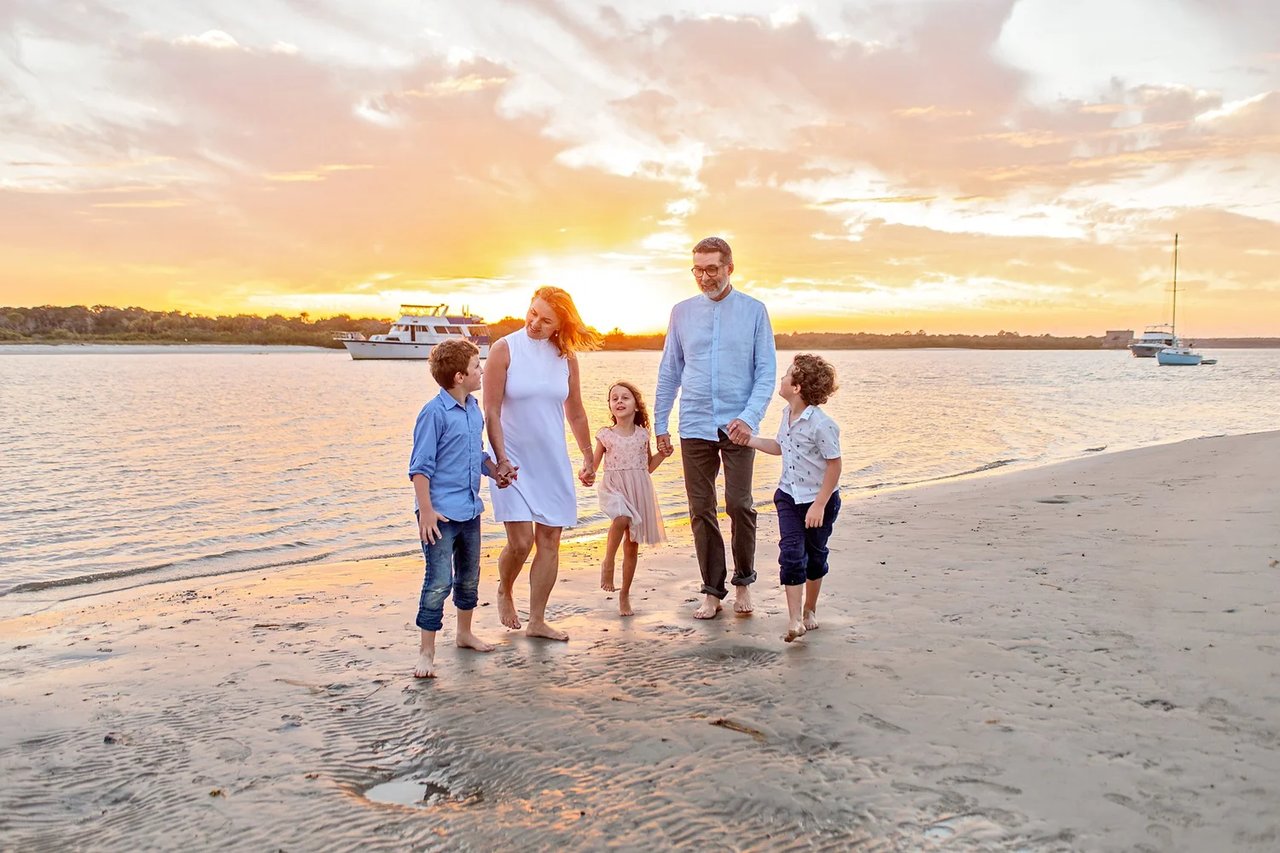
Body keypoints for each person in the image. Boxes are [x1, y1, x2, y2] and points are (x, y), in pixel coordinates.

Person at [654, 236, 776, 619]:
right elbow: (669, 371)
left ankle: (743, 583)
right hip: (693, 423)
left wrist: (749, 417)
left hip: (738, 426)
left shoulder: (754, 311)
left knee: (739, 505)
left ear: (729, 268)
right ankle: (712, 591)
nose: (704, 277)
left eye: (711, 269)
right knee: (700, 509)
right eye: (698, 270)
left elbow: (766, 373)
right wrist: (660, 424)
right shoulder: (681, 312)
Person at [485, 287, 600, 641]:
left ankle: (537, 620)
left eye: (545, 319)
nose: (534, 322)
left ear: (559, 325)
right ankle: (505, 590)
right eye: (532, 312)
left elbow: (576, 411)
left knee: (550, 539)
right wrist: (501, 459)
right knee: (520, 543)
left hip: (551, 461)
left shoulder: (566, 357)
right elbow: (490, 410)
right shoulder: (504, 349)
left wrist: (587, 456)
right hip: (511, 460)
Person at [408, 338, 510, 678]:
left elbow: (476, 456)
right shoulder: (433, 413)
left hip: (470, 510)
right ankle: (426, 651)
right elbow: (420, 468)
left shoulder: (473, 410)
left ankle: (464, 633)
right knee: (438, 582)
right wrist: (425, 511)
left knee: (469, 579)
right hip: (439, 516)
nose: (481, 371)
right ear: (457, 377)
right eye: (476, 367)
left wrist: (496, 472)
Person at [740, 353, 842, 642]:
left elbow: (834, 464)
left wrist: (820, 504)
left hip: (819, 501)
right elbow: (780, 446)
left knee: (815, 556)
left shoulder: (821, 424)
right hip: (788, 496)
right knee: (791, 554)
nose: (782, 379)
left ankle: (810, 610)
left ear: (797, 387)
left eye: (787, 375)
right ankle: (794, 619)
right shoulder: (786, 415)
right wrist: (749, 440)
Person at [588, 381, 672, 616]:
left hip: (638, 488)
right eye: (614, 398)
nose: (619, 401)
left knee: (632, 546)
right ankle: (608, 562)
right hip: (614, 487)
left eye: (625, 397)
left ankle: (624, 594)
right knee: (622, 518)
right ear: (610, 406)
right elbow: (593, 466)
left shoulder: (643, 434)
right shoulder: (605, 434)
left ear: (636, 405)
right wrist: (586, 473)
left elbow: (647, 467)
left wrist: (663, 456)